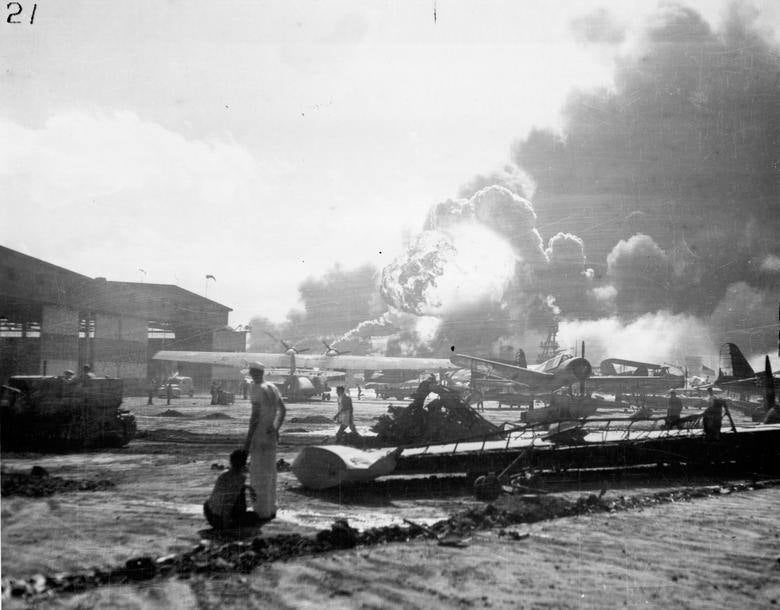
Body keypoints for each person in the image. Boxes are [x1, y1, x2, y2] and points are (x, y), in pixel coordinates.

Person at [244, 361, 286, 521]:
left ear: (253, 373)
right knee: (270, 472)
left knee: (258, 473)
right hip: (270, 435)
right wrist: (276, 428)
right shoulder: (273, 388)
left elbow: (254, 418)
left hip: (259, 435)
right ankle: (271, 508)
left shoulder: (255, 388)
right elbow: (283, 410)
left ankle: (261, 511)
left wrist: (248, 440)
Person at [203, 448, 261, 531]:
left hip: (211, 514)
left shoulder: (224, 475)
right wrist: (226, 527)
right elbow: (228, 503)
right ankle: (231, 522)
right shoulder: (239, 479)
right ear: (244, 465)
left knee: (208, 503)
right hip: (220, 520)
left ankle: (231, 521)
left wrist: (248, 487)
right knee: (254, 517)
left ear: (231, 462)